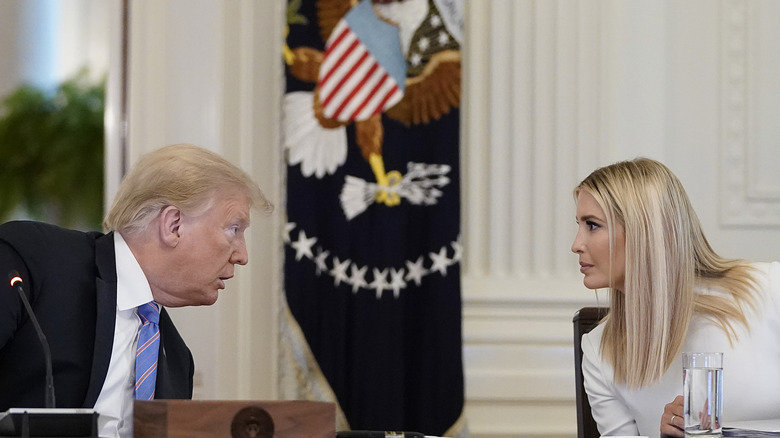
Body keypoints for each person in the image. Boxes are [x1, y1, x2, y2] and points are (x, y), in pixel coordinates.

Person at [0, 143, 272, 438]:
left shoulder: (178, 363)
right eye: (234, 228)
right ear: (174, 225)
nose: (242, 255)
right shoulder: (32, 261)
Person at [571, 157, 780, 438]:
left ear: (642, 230)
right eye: (580, 225)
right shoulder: (599, 349)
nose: (576, 245)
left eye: (592, 225)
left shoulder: (768, 289)